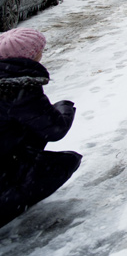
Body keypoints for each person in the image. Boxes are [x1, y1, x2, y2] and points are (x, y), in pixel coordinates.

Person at [0, 28, 82, 228]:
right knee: (66, 163)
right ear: (31, 55)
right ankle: (7, 202)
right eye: (40, 49)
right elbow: (54, 129)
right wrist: (64, 107)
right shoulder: (18, 87)